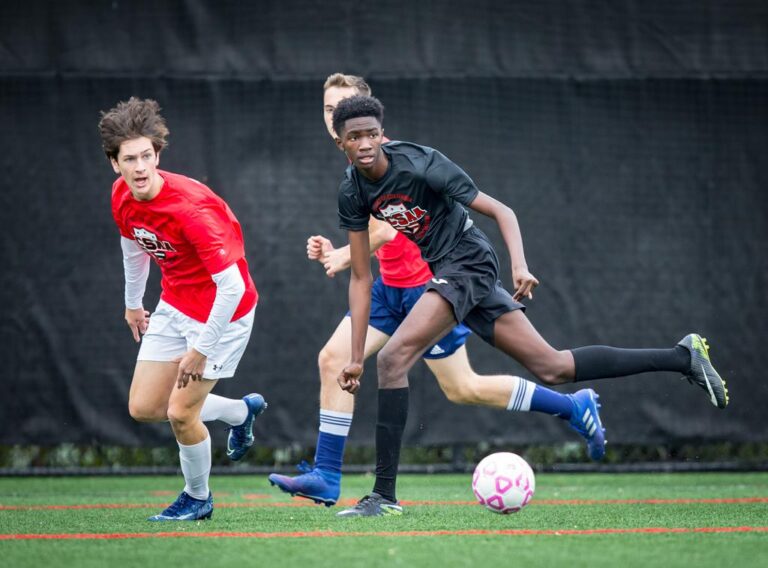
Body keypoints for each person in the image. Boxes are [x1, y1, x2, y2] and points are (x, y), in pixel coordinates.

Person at [332, 94, 729, 517]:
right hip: (449, 270)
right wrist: (355, 357)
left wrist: (519, 267)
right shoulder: (352, 192)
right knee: (552, 367)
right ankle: (682, 356)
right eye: (355, 137)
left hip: (469, 263)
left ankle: (383, 496)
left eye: (372, 133)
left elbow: (502, 211)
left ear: (382, 133)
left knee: (393, 358)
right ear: (341, 142)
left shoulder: (421, 162)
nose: (365, 143)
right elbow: (361, 277)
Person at [268, 74, 609, 509]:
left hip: (428, 283)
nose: (333, 114)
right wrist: (346, 254)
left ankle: (569, 406)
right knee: (335, 358)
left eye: (343, 106)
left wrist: (342, 255)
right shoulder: (351, 164)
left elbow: (391, 224)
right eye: (328, 110)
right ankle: (327, 475)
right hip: (388, 288)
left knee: (462, 386)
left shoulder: (387, 151)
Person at [99, 97, 267, 521]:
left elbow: (230, 288)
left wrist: (202, 349)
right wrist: (133, 303)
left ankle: (198, 498)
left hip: (224, 313)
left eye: (146, 156)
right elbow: (133, 242)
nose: (139, 167)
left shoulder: (192, 209)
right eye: (129, 159)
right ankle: (238, 411)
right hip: (175, 303)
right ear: (114, 163)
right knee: (143, 407)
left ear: (157, 155)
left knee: (179, 412)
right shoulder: (122, 193)